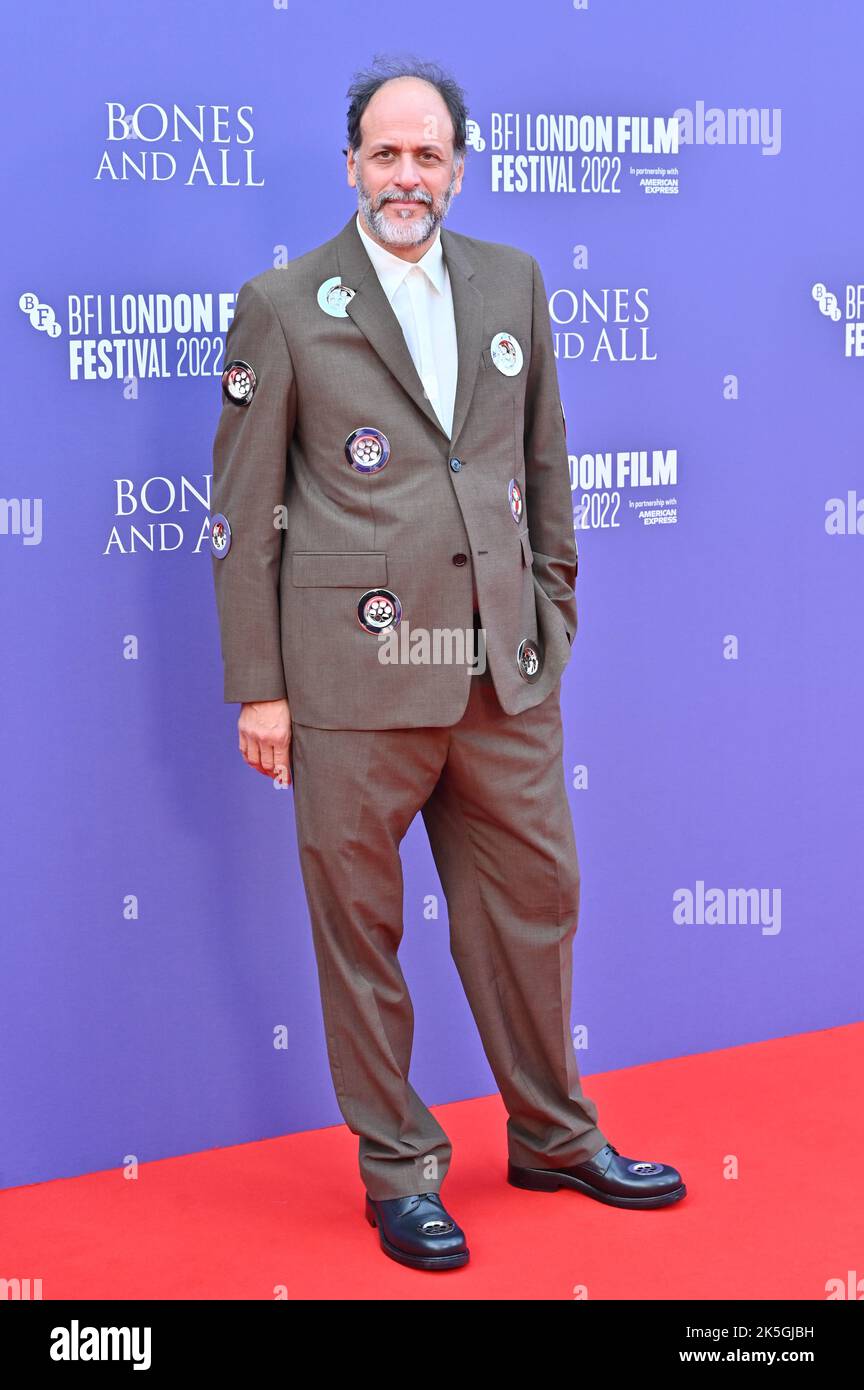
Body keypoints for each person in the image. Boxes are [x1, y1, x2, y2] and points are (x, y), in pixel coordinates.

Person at [210, 55, 685, 1272]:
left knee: (538, 909)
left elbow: (545, 464)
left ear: (458, 168)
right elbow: (243, 510)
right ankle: (401, 1171)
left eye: (428, 154)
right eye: (386, 152)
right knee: (362, 934)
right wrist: (261, 686)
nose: (406, 174)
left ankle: (554, 1133)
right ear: (353, 166)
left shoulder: (514, 282)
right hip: (350, 681)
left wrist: (551, 614)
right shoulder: (283, 302)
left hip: (502, 676)